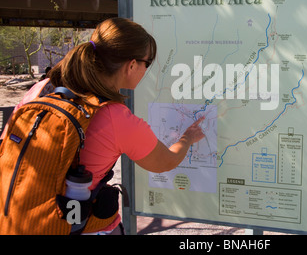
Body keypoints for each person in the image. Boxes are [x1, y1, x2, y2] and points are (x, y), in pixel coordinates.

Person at [2, 17, 205, 234]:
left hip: (16, 219)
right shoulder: (115, 117)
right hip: (81, 228)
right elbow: (166, 161)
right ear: (132, 64)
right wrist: (187, 138)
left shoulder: (43, 87)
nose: (146, 70)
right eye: (148, 63)